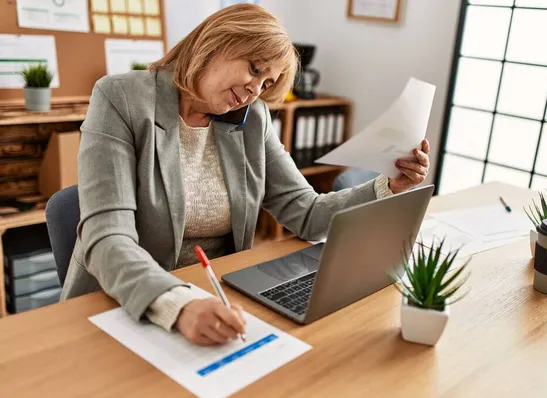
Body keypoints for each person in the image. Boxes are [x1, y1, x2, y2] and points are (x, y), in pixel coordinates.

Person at [60, 4, 430, 346]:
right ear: (215, 44)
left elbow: (306, 212)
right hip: (121, 302)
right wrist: (178, 305)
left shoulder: (254, 120)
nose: (255, 90)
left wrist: (388, 187)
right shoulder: (121, 98)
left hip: (214, 300)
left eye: (267, 84)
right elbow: (107, 236)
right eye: (255, 69)